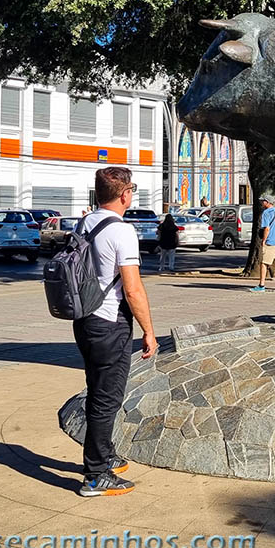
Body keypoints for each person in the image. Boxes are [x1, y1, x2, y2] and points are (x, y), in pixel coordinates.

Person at [74, 167, 158, 497]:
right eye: (132, 190)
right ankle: (95, 475)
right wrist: (149, 331)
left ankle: (103, 455)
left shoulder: (85, 223)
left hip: (85, 320)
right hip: (110, 323)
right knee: (106, 398)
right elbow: (133, 289)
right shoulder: (121, 231)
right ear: (124, 194)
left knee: (97, 390)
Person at [250, 197, 275, 293]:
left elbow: (267, 228)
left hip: (270, 241)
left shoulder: (266, 213)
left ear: (267, 202)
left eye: (263, 201)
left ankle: (261, 285)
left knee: (264, 263)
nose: (262, 203)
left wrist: (264, 240)